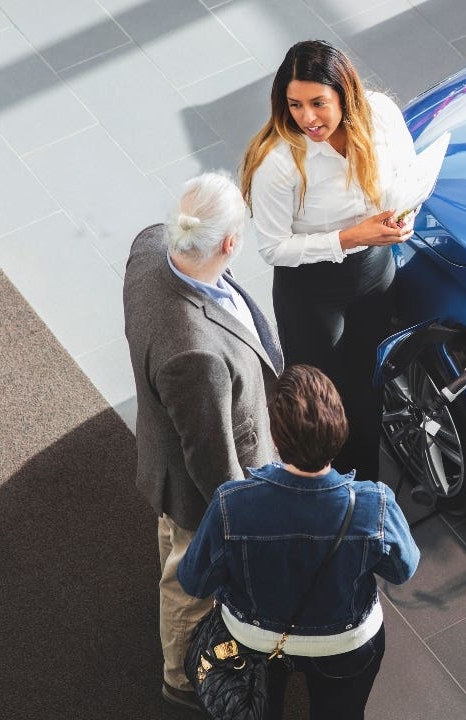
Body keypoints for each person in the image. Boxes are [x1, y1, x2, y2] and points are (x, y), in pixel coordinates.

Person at [123, 171, 284, 711]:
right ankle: (181, 677)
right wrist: (242, 522)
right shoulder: (195, 355)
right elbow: (212, 459)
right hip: (194, 484)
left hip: (163, 443)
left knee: (173, 548)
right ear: (230, 244)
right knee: (189, 581)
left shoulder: (149, 246)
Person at [178, 364, 420, 720]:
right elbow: (403, 570)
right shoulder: (374, 504)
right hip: (346, 642)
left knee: (258, 706)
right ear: (340, 429)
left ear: (275, 437)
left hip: (255, 640)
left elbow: (194, 581)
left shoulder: (231, 503)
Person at [240, 39, 417, 479]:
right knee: (321, 405)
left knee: (367, 391)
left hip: (374, 273)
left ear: (345, 94)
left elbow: (409, 173)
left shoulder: (381, 117)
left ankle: (368, 487)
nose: (307, 118)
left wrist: (407, 214)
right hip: (311, 292)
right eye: (295, 105)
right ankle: (325, 489)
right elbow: (272, 248)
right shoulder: (278, 162)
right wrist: (351, 235)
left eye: (318, 102)